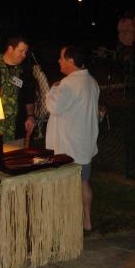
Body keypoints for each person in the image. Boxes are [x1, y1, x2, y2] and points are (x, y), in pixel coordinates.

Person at [46, 46, 99, 233]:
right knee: (84, 182)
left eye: (61, 58)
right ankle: (87, 221)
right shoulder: (91, 81)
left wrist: (52, 90)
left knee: (65, 185)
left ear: (71, 61)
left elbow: (54, 107)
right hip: (84, 144)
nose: (59, 61)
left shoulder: (68, 84)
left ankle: (66, 223)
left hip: (68, 147)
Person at [0, 35, 36, 143]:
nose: (24, 55)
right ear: (10, 49)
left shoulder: (24, 71)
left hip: (17, 130)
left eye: (25, 52)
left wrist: (30, 116)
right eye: (21, 51)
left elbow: (29, 97)